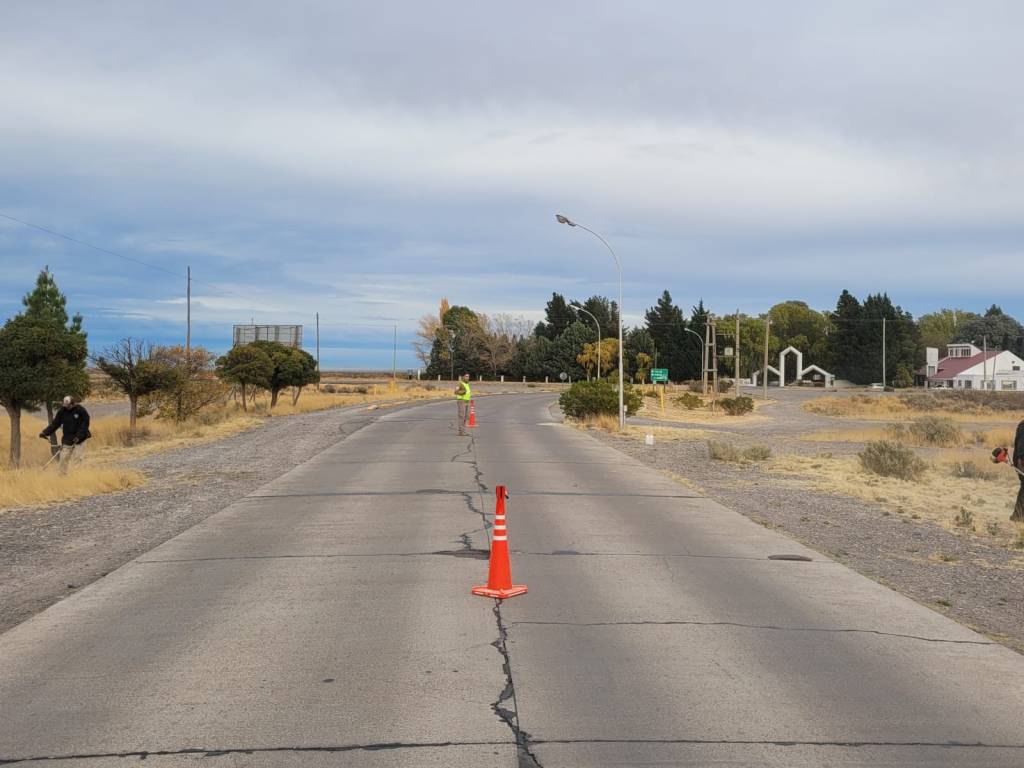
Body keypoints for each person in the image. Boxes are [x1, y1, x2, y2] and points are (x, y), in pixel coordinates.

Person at [39, 396, 91, 474]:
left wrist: (79, 436)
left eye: (68, 405)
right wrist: (45, 432)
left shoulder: (80, 410)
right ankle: (62, 476)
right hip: (68, 437)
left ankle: (77, 476)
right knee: (63, 457)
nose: (66, 407)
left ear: (72, 404)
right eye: (65, 405)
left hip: (81, 438)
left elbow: (85, 424)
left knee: (77, 458)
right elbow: (55, 424)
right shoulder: (62, 411)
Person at [1013, 418, 1024, 522]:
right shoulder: (1023, 426)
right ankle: (1017, 517)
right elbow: (1021, 447)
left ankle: (1018, 516)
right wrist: (1021, 462)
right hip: (1022, 462)